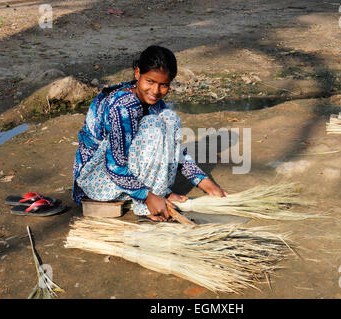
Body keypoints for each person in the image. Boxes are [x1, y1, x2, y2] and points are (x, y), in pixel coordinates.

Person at [72, 45, 227, 221]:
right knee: (154, 126)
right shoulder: (123, 107)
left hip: (123, 174)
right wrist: (148, 197)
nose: (155, 91)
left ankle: (159, 192)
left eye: (164, 85)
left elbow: (176, 149)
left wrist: (205, 183)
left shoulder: (154, 102)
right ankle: (148, 202)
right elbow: (114, 166)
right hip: (98, 180)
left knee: (169, 119)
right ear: (138, 73)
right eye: (150, 82)